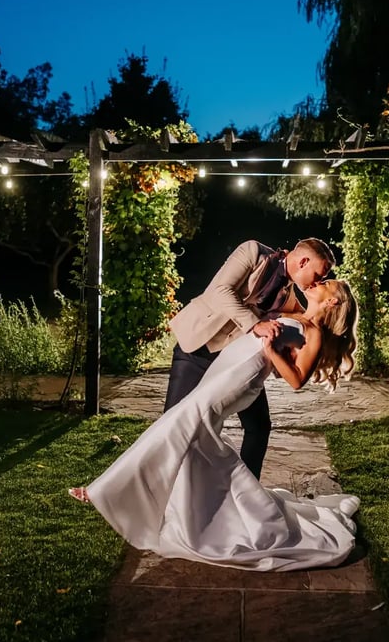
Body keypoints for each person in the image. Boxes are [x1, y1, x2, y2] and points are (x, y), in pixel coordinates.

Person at [69, 279, 359, 571]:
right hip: (230, 363)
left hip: (244, 372)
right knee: (190, 433)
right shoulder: (295, 314)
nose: (318, 282)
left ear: (332, 301)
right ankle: (203, 508)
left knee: (181, 424)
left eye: (326, 283)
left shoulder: (314, 333)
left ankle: (107, 490)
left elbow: (296, 379)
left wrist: (272, 352)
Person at [164, 237, 335, 480]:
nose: (317, 282)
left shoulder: (288, 296)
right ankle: (164, 486)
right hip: (198, 347)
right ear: (303, 262)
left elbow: (308, 321)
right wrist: (255, 325)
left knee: (259, 427)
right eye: (318, 274)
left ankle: (247, 491)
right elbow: (220, 291)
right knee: (171, 424)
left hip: (234, 364)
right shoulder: (253, 252)